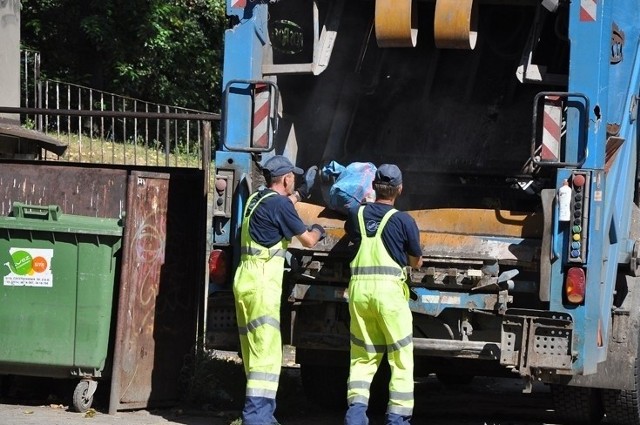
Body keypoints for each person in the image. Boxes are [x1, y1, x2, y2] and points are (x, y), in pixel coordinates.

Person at [233, 155, 325, 425]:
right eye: (293, 177)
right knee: (266, 353)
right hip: (263, 283)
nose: (294, 179)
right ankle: (257, 419)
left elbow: (279, 205)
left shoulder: (256, 199)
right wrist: (318, 229)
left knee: (252, 350)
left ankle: (262, 416)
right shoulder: (281, 207)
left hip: (245, 279)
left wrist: (299, 194)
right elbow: (307, 240)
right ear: (285, 179)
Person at [343, 164, 423, 425]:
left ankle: (355, 416)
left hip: (359, 293)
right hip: (389, 295)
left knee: (363, 356)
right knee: (400, 358)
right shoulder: (403, 220)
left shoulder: (356, 214)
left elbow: (352, 230)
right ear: (399, 189)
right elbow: (415, 261)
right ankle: (397, 420)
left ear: (373, 187)